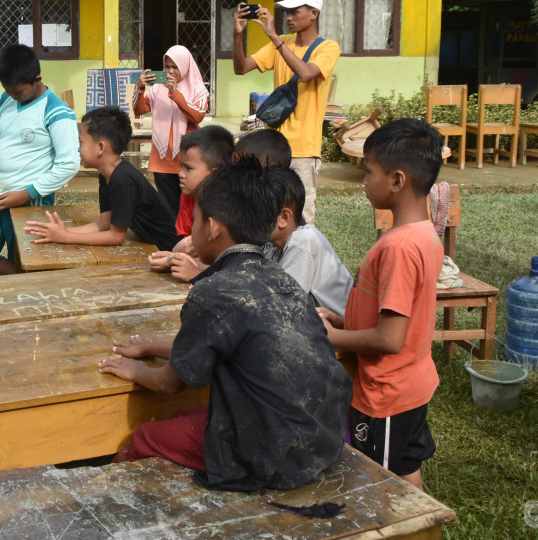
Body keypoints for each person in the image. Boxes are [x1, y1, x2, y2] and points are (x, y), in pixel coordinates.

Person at [97, 160, 351, 491]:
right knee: (182, 420)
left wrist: (133, 370)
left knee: (145, 435)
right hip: (323, 437)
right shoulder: (280, 277)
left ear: (213, 227)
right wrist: (149, 347)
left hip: (274, 455)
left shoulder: (212, 291)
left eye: (197, 220)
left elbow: (170, 384)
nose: (192, 230)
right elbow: (226, 343)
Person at [317, 118, 444, 489]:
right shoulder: (423, 235)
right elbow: (398, 313)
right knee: (405, 468)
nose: (363, 180)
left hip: (386, 392)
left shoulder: (399, 248)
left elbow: (390, 338)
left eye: (368, 171)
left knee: (378, 483)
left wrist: (330, 337)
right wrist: (343, 322)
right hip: (413, 383)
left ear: (397, 180)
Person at [233, 0, 340, 225]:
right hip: (275, 147)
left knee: (301, 217)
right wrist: (237, 34)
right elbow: (241, 68)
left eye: (295, 11)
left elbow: (306, 74)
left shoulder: (328, 48)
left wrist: (272, 36)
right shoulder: (281, 43)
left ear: (314, 13)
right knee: (270, 211)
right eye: (286, 12)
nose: (288, 17)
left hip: (304, 149)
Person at [0, 44, 81, 274]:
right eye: (9, 90)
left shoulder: (57, 112)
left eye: (19, 92)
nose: (14, 96)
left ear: (37, 79)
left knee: (27, 261)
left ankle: (20, 288)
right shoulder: (6, 99)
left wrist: (25, 194)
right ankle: (13, 281)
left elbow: (69, 164)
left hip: (29, 204)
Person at [23, 106, 178, 252]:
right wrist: (62, 232)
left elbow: (116, 236)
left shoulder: (123, 180)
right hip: (154, 246)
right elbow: (104, 224)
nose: (78, 149)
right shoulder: (106, 174)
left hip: (171, 249)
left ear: (101, 147)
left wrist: (66, 237)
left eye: (81, 142)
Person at [263, 166, 353, 317]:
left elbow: (281, 307)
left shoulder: (301, 243)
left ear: (283, 218)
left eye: (255, 213)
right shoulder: (277, 247)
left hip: (344, 331)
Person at [148, 124, 234, 282]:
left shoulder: (232, 205)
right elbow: (187, 246)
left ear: (214, 175)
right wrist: (174, 258)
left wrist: (195, 270)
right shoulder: (188, 195)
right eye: (181, 166)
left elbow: (234, 264)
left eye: (188, 168)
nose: (180, 174)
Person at [132, 45, 209, 212]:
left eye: (175, 67)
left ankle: (191, 237)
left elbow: (198, 116)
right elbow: (139, 110)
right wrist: (139, 88)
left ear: (185, 66)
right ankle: (173, 238)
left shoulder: (198, 89)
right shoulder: (158, 89)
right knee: (169, 209)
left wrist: (176, 94)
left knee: (191, 208)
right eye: (167, 67)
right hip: (163, 158)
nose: (171, 71)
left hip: (188, 159)